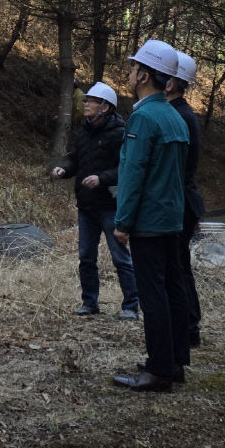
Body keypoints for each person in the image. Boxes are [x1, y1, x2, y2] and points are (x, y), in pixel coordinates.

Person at [113, 39, 190, 392]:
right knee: (173, 290)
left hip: (148, 221)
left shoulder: (144, 117)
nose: (129, 74)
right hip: (172, 219)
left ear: (144, 74)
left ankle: (158, 369)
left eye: (133, 68)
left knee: (153, 294)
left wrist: (123, 222)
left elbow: (133, 173)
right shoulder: (174, 116)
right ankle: (174, 362)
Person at [52, 82, 139, 319]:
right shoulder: (84, 131)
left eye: (91, 100)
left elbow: (127, 169)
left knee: (121, 258)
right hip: (86, 206)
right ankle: (90, 304)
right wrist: (64, 169)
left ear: (106, 107)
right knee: (85, 258)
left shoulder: (120, 133)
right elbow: (76, 159)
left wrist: (101, 178)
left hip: (111, 207)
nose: (86, 103)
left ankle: (131, 306)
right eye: (86, 100)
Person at [167, 51, 205, 347]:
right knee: (179, 265)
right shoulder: (179, 112)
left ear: (173, 83)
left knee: (178, 266)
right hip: (182, 200)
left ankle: (189, 326)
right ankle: (188, 324)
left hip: (181, 202)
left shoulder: (181, 116)